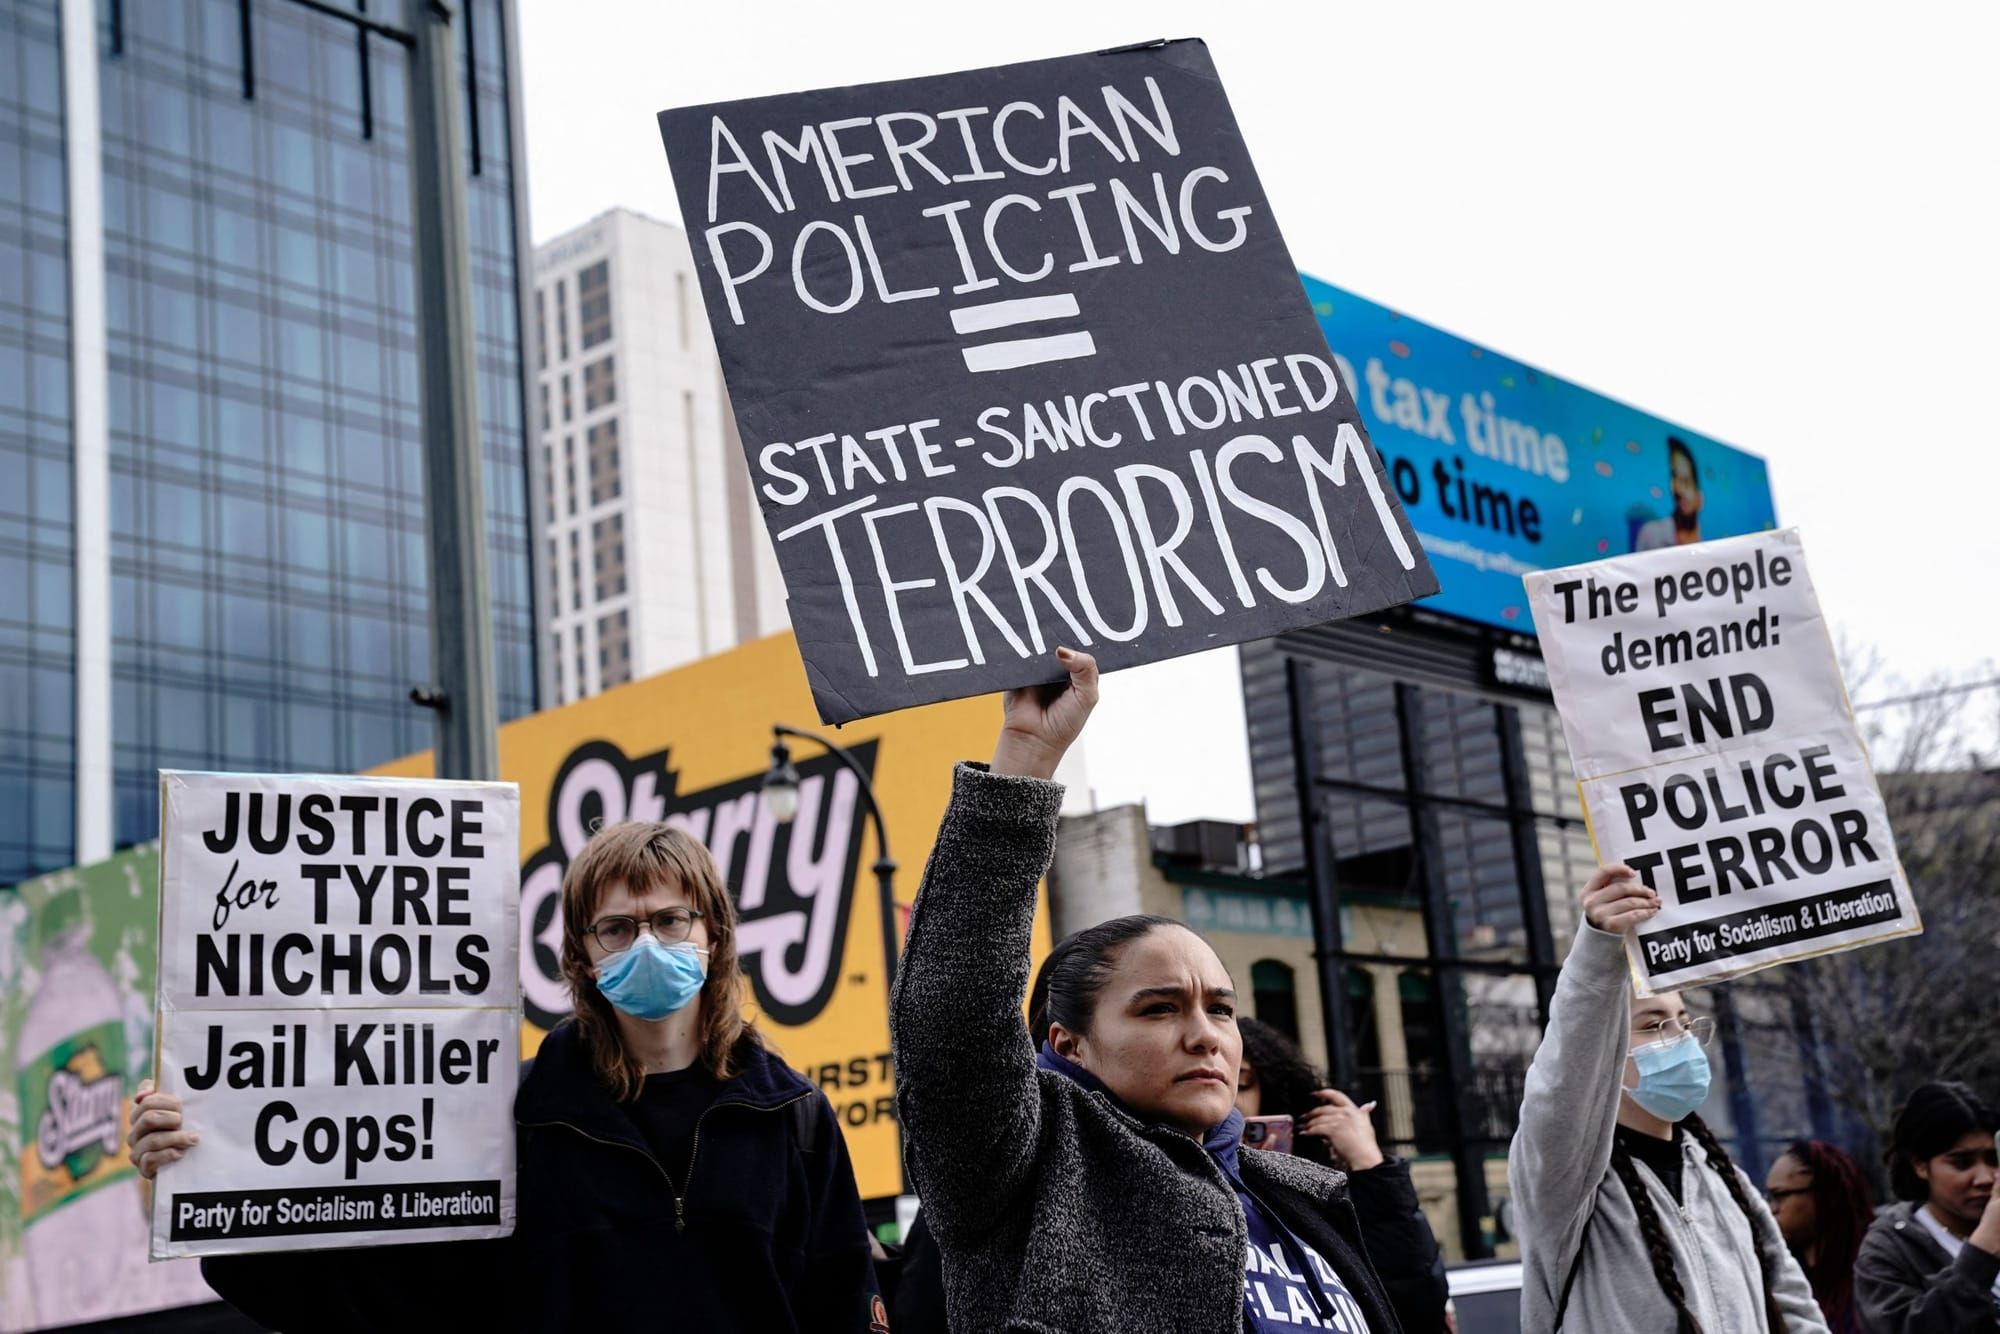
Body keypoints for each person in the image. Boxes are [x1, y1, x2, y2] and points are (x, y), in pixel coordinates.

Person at [129, 821, 883, 1333]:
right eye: (616, 927)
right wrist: (194, 1186)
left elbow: (844, 1309)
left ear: (714, 935)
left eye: (670, 921)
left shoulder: (796, 1118)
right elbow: (368, 1293)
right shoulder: (507, 1120)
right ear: (582, 956)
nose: (645, 941)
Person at [891, 647, 1415, 1333]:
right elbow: (954, 1015)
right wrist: (1025, 758)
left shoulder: (1302, 1199)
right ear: (1069, 1044)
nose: (1204, 1035)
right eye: (1159, 1008)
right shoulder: (1027, 1171)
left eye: (1221, 1009)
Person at [1509, 864, 1826, 1332]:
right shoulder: (1567, 1185)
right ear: (1609, 1048)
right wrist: (1598, 946)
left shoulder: (1724, 1178)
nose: (1680, 1038)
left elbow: (1794, 1308)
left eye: (1683, 1020)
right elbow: (1561, 1086)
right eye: (1653, 1024)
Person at [1236, 1016, 1450, 1330]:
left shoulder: (1326, 1193)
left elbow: (1417, 1304)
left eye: (1242, 1083)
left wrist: (1369, 1163)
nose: (1228, 1096)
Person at [1854, 1081, 2000, 1331]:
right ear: (1921, 1166)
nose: (1985, 1178)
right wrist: (1981, 1255)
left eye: (1993, 1159)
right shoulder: (1889, 1248)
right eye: (1962, 1163)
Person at [1764, 1139, 1875, 1333]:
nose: (1771, 1209)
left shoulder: (1875, 1274)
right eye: (1768, 1197)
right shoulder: (1777, 1278)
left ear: (1823, 1195)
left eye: (1779, 1195)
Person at [1633, 436, 1704, 550]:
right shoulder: (1651, 535)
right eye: (1674, 477)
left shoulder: (1708, 544)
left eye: (1686, 481)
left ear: (1700, 497)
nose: (1679, 489)